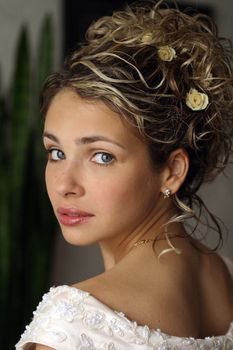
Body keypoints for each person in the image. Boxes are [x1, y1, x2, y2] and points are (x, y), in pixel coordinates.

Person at [16, 0, 233, 349]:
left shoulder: (73, 322)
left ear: (172, 171)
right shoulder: (225, 275)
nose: (64, 184)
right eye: (56, 153)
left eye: (101, 156)